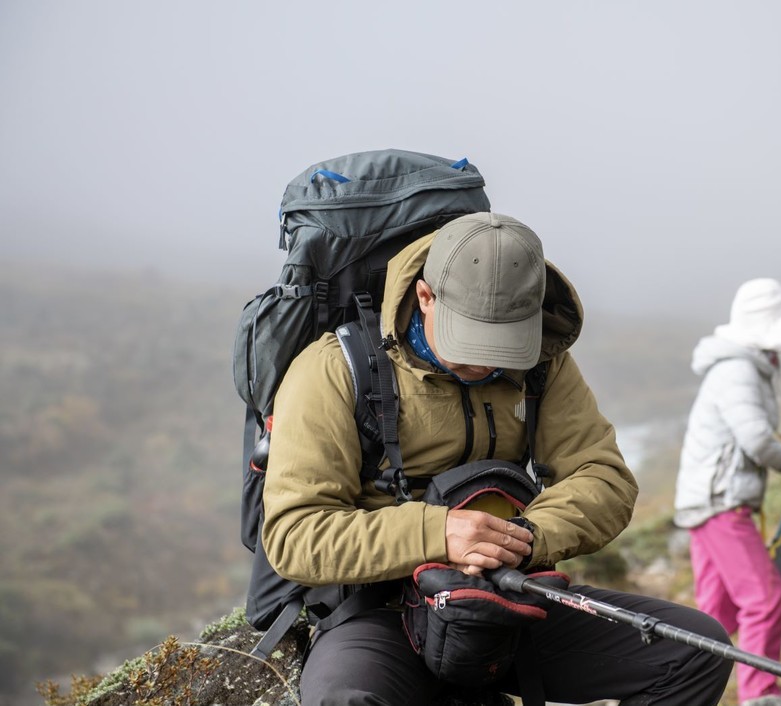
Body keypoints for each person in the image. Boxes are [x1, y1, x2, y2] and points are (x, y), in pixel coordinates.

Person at [261, 211, 733, 706]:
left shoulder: (541, 362)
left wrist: (526, 538)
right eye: (471, 341)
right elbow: (295, 534)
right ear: (425, 297)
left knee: (696, 652)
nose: (487, 362)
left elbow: (604, 477)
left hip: (509, 596)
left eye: (506, 344)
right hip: (382, 611)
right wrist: (439, 533)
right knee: (347, 700)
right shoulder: (334, 371)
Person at [673, 278, 781, 706]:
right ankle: (760, 694)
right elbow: (755, 436)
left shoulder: (738, 366)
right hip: (721, 502)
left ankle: (684, 691)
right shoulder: (737, 370)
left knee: (714, 616)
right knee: (764, 598)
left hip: (704, 501)